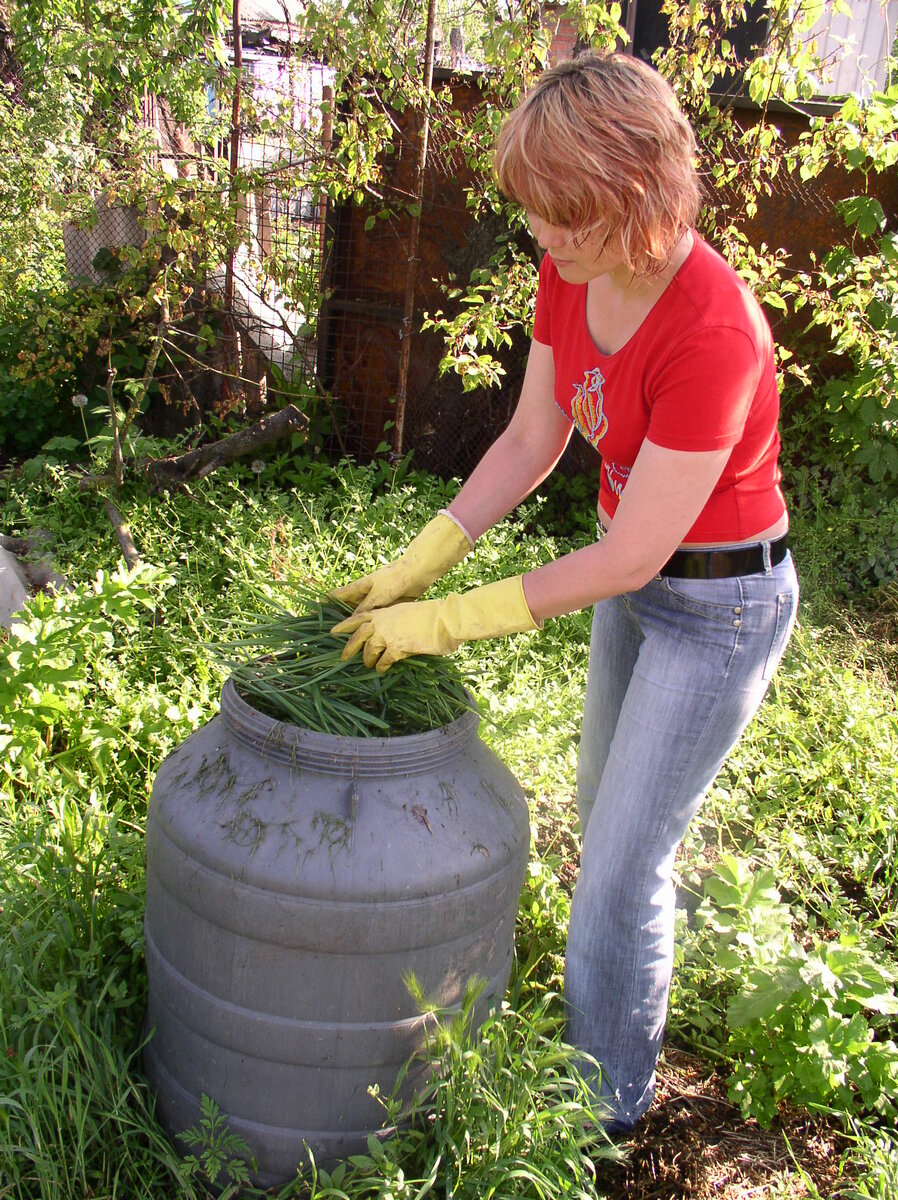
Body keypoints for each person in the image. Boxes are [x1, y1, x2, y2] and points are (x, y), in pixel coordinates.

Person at [331, 50, 799, 1132]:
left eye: (561, 216)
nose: (539, 237)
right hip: (635, 587)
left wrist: (448, 623)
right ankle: (612, 1031)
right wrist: (419, 562)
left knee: (621, 869)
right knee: (604, 819)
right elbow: (534, 437)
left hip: (719, 612)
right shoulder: (574, 269)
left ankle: (604, 1115)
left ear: (633, 196)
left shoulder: (713, 331)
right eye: (535, 214)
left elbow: (634, 554)